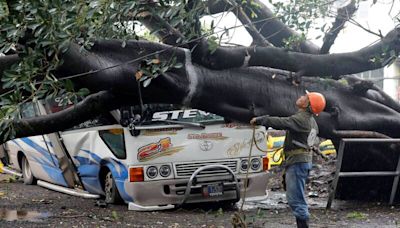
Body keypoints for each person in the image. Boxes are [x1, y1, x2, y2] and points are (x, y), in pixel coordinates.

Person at [250, 91, 326, 228]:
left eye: (305, 97)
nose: (301, 97)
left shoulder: (302, 119)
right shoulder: (312, 121)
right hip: (301, 161)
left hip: (297, 162)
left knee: (296, 200)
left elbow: (282, 122)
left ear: (308, 104)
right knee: (296, 197)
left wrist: (261, 120)